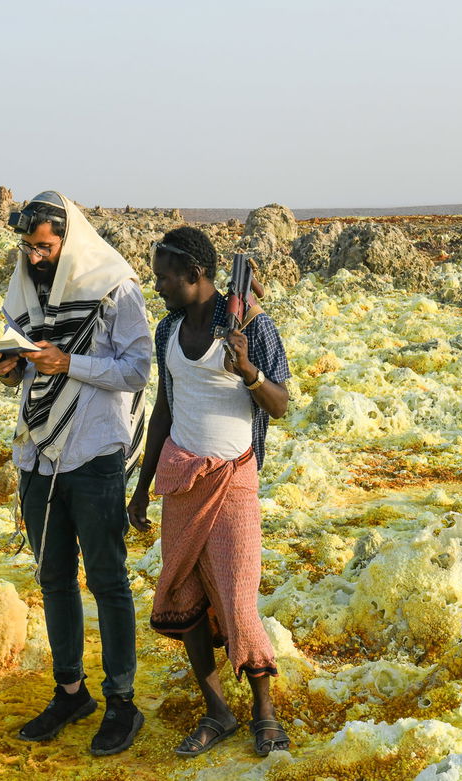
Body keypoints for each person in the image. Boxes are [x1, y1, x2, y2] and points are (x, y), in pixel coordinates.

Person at [0, 191, 151, 756]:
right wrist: (7, 366)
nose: (34, 258)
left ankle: (122, 704)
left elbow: (137, 369)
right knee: (53, 578)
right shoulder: (26, 290)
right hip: (37, 454)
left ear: (68, 240)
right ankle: (70, 692)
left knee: (108, 582)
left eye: (43, 247)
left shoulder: (114, 287)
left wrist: (69, 363)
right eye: (28, 248)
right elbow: (20, 373)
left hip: (94, 454)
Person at [127, 226, 292, 757]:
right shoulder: (167, 330)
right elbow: (165, 410)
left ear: (195, 275)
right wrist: (141, 486)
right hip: (180, 481)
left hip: (233, 478)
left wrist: (247, 371)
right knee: (185, 594)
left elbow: (281, 403)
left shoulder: (249, 325)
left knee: (240, 597)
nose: (159, 286)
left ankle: (264, 711)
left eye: (165, 277)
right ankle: (217, 710)